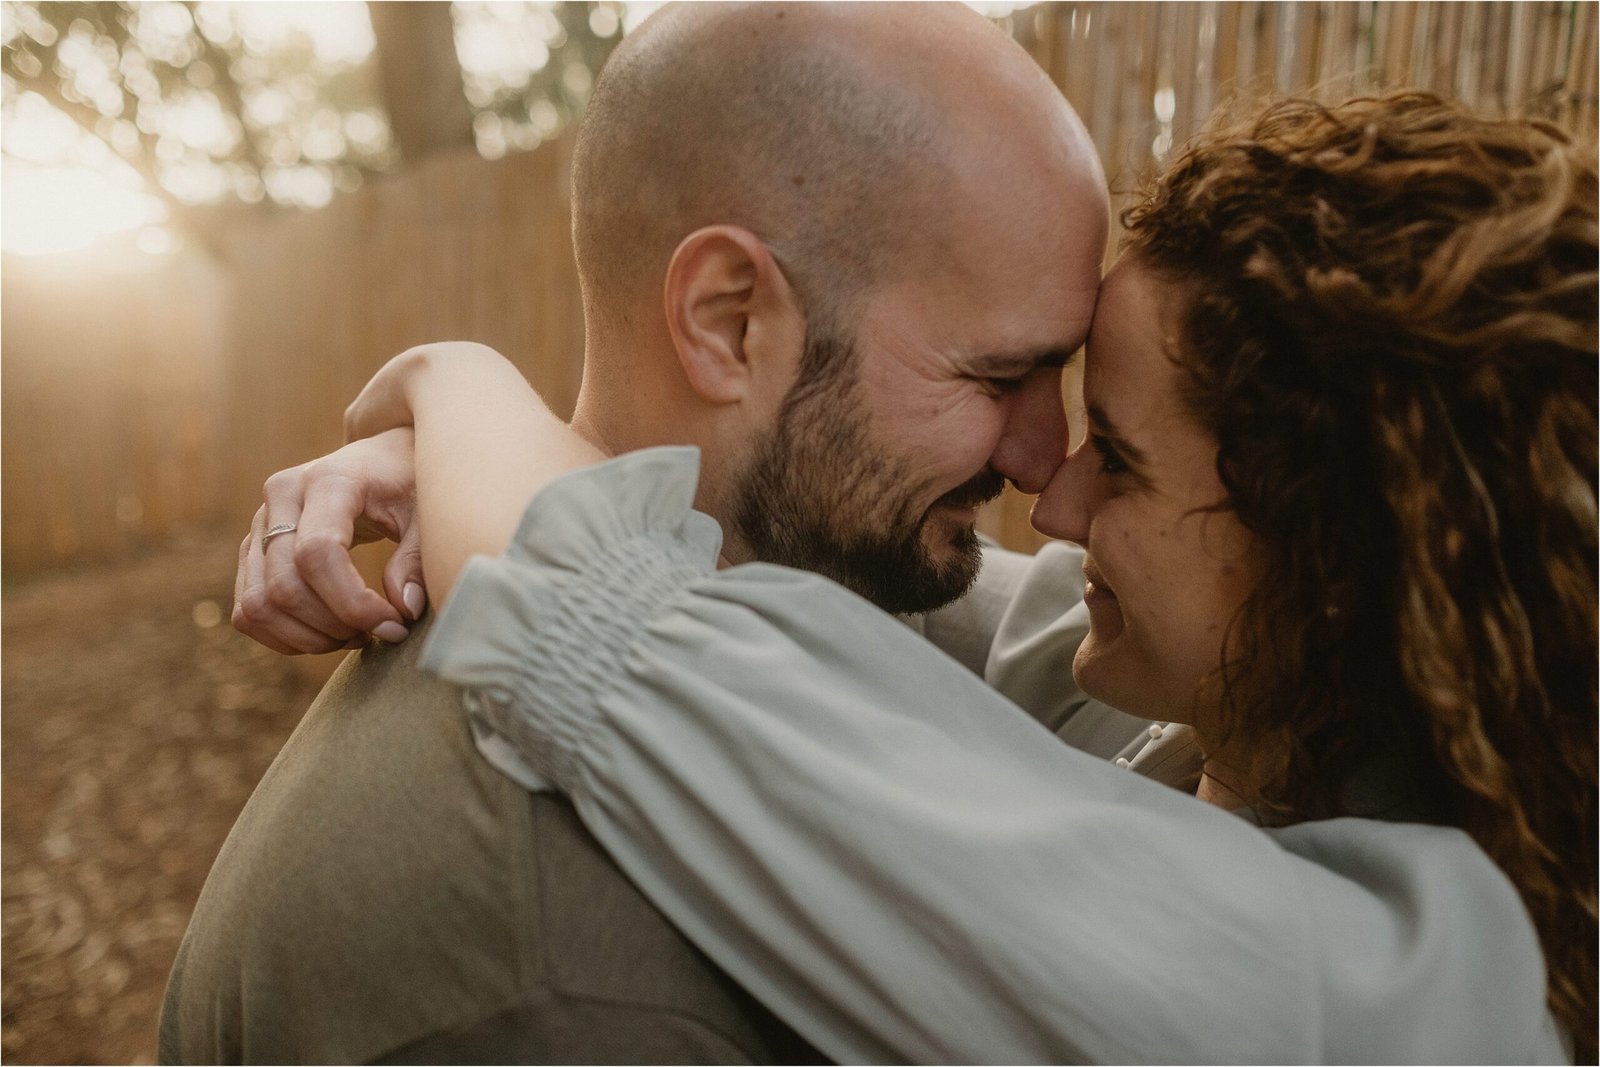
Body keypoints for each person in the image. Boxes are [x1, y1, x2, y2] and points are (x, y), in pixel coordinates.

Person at [332, 92, 1596, 1062]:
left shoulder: (1337, 990)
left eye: (1130, 465)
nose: (1054, 498)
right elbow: (958, 601)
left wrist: (451, 386)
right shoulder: (1224, 707)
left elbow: (593, 626)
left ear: (1333, 559)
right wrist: (450, 473)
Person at [164, 4, 1155, 1062]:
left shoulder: (831, 579)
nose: (1048, 461)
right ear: (728, 322)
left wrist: (462, 417)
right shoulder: (572, 979)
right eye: (999, 376)